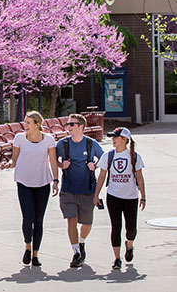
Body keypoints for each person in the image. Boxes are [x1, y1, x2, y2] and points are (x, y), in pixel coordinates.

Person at [1, 111, 59, 267]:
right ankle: (27, 246)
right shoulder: (19, 138)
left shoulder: (49, 140)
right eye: (24, 122)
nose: (24, 125)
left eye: (28, 123)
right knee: (28, 217)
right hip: (23, 182)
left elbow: (53, 161)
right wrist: (8, 165)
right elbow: (14, 159)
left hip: (42, 182)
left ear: (37, 124)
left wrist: (55, 180)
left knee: (38, 219)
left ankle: (35, 255)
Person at [94, 127, 146, 270]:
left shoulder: (134, 157)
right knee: (116, 227)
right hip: (113, 196)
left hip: (131, 197)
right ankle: (117, 258)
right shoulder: (108, 156)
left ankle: (129, 245)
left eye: (116, 137)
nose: (113, 140)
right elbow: (102, 176)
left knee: (131, 229)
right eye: (112, 137)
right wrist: (96, 195)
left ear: (125, 140)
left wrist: (143, 196)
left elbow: (140, 177)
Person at [56, 113, 104, 268]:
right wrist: (60, 165)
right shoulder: (62, 144)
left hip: (87, 190)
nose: (68, 127)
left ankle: (81, 242)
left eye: (72, 124)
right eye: (67, 124)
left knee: (87, 224)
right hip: (68, 190)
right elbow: (52, 160)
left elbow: (105, 161)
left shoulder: (91, 144)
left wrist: (95, 166)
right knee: (71, 220)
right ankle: (76, 252)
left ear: (81, 127)